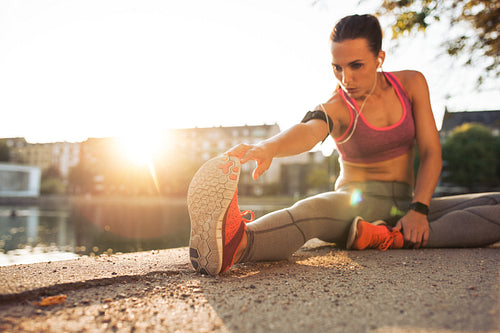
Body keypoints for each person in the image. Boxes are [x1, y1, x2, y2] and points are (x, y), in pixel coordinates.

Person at [187, 14, 500, 276]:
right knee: (312, 210)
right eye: (337, 67)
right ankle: (235, 244)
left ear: (380, 58)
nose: (345, 78)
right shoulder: (337, 105)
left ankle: (389, 237)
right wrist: (269, 147)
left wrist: (419, 209)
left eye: (356, 65)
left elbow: (432, 152)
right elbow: (308, 131)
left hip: (405, 205)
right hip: (354, 205)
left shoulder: (412, 84)